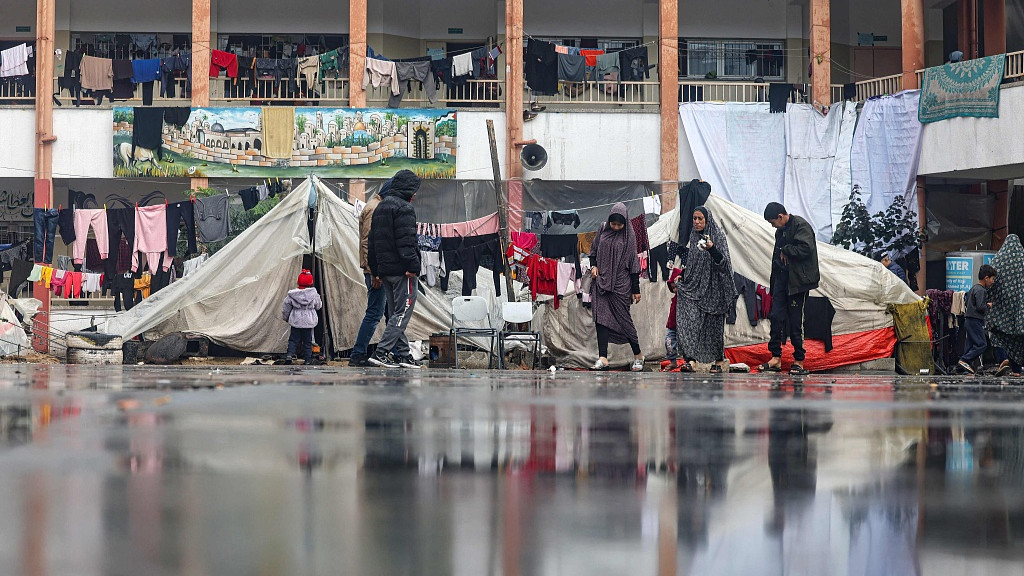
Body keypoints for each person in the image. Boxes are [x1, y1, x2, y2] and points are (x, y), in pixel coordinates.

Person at [367, 170, 422, 369]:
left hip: (386, 271)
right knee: (402, 313)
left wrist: (376, 270)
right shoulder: (404, 209)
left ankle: (404, 355)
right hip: (403, 272)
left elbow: (372, 241)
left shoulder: (380, 208)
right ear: (407, 189)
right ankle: (381, 353)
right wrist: (413, 266)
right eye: (414, 190)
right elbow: (407, 242)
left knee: (394, 314)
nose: (415, 195)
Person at [676, 206, 737, 373]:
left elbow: (724, 264)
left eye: (700, 219)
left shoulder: (718, 236)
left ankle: (718, 360)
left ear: (707, 220)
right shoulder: (693, 237)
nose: (696, 222)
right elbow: (694, 263)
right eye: (694, 219)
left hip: (714, 289)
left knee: (714, 327)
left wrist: (712, 249)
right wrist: (683, 274)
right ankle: (691, 360)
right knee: (689, 322)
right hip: (694, 288)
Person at [761, 202, 819, 375]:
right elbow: (777, 256)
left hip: (798, 282)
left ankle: (799, 360)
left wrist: (787, 249)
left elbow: (806, 248)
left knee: (795, 322)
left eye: (773, 222)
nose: (773, 226)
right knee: (776, 317)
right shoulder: (781, 231)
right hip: (781, 279)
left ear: (780, 216)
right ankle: (776, 357)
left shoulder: (801, 226)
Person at [589, 202, 644, 371]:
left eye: (619, 225)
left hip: (621, 285)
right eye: (613, 224)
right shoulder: (602, 229)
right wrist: (594, 265)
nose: (616, 227)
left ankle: (638, 355)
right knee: (601, 320)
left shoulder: (629, 236)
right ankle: (603, 358)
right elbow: (593, 250)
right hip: (601, 283)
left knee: (624, 320)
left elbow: (634, 264)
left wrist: (636, 289)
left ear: (625, 223)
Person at [350, 177, 393, 367]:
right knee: (375, 312)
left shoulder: (375, 206)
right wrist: (373, 272)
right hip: (375, 272)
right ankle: (358, 354)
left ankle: (397, 351)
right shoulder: (375, 208)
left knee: (389, 312)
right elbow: (368, 242)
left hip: (377, 270)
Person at [988, 234, 1024, 377]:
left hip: (1003, 311)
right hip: (1020, 311)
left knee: (1003, 337)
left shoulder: (998, 260)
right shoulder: (1022, 260)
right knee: (1019, 340)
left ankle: (1008, 362)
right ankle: (1016, 369)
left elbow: (990, 283)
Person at [958, 264, 997, 374]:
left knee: (970, 345)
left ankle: (960, 368)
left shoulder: (973, 288)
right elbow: (980, 307)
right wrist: (989, 305)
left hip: (968, 320)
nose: (992, 282)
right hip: (975, 320)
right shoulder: (981, 290)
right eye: (992, 279)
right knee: (982, 344)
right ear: (986, 278)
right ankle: (964, 360)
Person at [280, 268, 323, 365]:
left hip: (296, 319)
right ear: (310, 282)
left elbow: (286, 307)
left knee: (293, 340)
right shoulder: (314, 294)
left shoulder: (292, 294)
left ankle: (289, 355)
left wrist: (286, 317)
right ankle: (308, 359)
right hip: (308, 321)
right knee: (308, 341)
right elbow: (319, 305)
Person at [662, 266, 683, 372]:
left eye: (677, 287)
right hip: (672, 326)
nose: (675, 290)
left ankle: (688, 362)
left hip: (683, 326)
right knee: (669, 343)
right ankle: (673, 362)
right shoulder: (674, 299)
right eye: (673, 288)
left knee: (685, 345)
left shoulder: (686, 299)